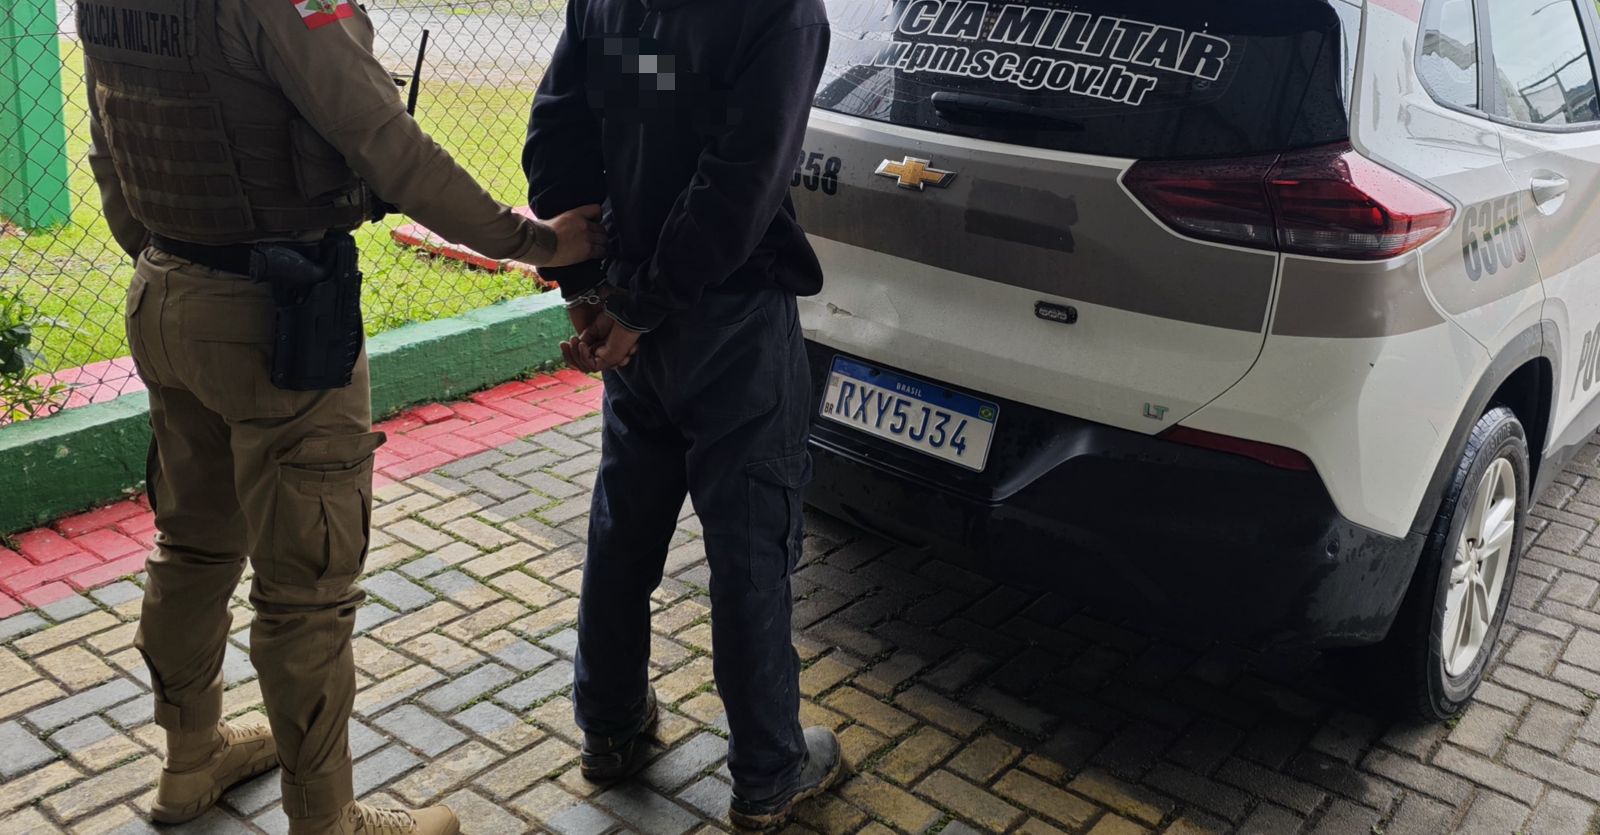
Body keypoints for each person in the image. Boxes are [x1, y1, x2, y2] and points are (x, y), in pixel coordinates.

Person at [80, 0, 603, 830]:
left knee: (192, 546)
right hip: (276, 319)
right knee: (306, 593)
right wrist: (536, 241)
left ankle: (190, 760)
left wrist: (175, 262)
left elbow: (108, 146)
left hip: (164, 288)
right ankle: (326, 819)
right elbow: (390, 147)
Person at [524, 0, 836, 828]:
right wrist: (631, 303)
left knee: (624, 525)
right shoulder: (782, 13)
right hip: (726, 318)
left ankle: (611, 726)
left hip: (634, 312)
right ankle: (769, 770)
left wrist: (592, 290)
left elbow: (558, 129)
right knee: (749, 543)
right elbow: (742, 176)